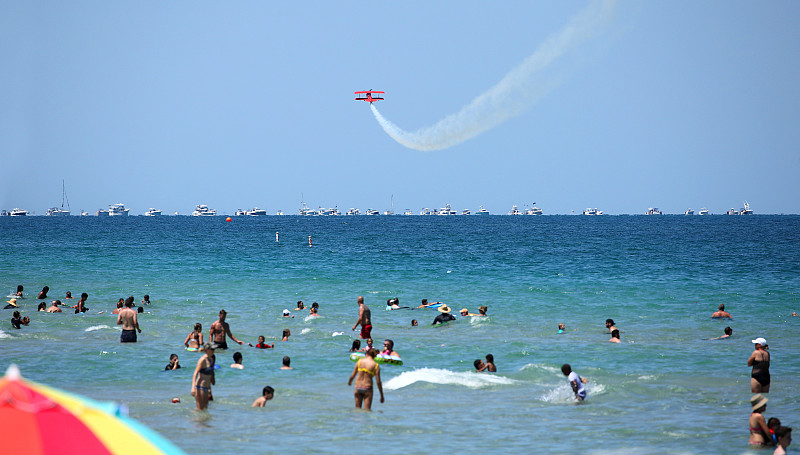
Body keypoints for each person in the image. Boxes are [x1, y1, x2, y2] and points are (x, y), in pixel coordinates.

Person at [191, 342, 216, 410]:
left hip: (206, 388)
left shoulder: (210, 359)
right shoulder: (202, 360)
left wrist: (210, 390)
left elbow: (209, 376)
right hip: (200, 387)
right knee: (200, 410)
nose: (214, 351)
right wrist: (193, 388)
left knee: (205, 409)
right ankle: (193, 420)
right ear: (207, 349)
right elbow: (195, 374)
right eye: (212, 349)